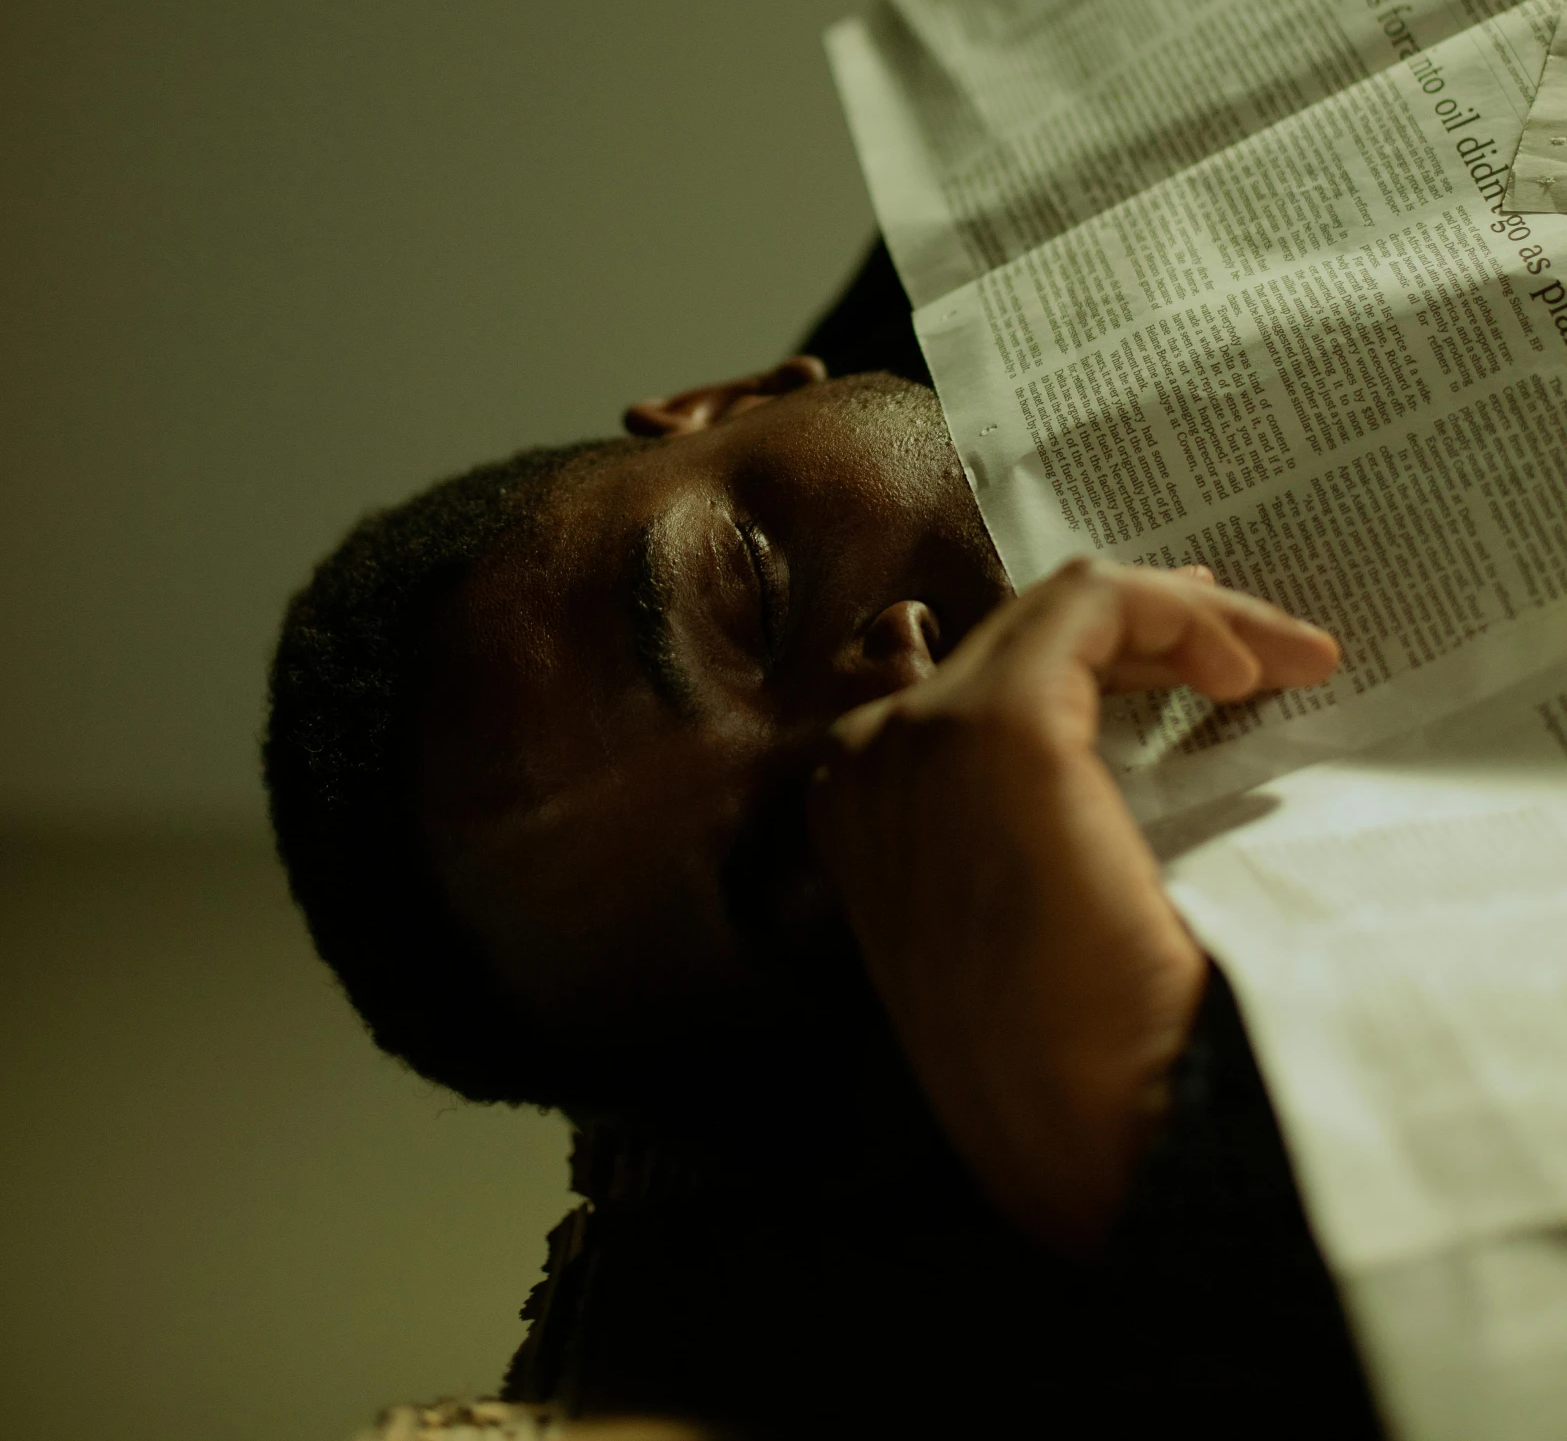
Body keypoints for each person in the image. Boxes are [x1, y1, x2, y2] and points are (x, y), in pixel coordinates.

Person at [265, 243, 1385, 1437]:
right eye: (815, 839)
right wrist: (1170, 1153)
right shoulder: (1135, 1097)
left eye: (750, 586)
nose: (892, 694)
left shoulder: (1026, 238)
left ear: (737, 398)